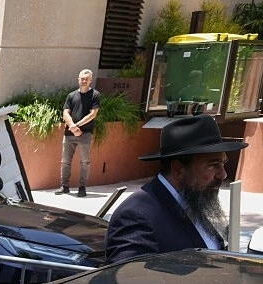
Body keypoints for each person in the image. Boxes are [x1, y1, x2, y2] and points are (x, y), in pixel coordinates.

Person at [105, 114, 247, 263]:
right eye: (213, 165)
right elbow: (130, 276)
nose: (223, 174)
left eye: (223, 164)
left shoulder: (192, 200)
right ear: (178, 170)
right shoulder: (137, 216)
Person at [58, 69, 100, 197]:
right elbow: (65, 113)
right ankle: (64, 186)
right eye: (82, 78)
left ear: (90, 80)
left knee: (85, 162)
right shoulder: (71, 96)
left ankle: (82, 188)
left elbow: (93, 114)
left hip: (85, 134)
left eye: (86, 79)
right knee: (65, 161)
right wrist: (72, 126)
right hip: (69, 134)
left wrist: (77, 126)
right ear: (78, 79)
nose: (84, 81)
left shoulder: (95, 95)